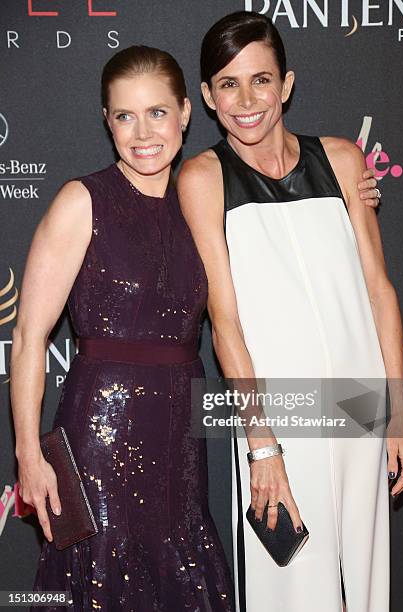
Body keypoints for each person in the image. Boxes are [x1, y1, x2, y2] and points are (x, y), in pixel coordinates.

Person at [177, 11, 403, 612]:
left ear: (286, 83)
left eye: (261, 79)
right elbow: (224, 323)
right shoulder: (203, 177)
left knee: (368, 587)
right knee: (291, 591)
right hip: (277, 412)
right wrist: (262, 444)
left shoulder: (340, 159)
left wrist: (400, 410)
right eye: (228, 84)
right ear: (207, 96)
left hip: (361, 401)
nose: (246, 99)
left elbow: (380, 290)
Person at [11, 46, 234, 611]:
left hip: (180, 437)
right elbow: (30, 335)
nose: (143, 134)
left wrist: (353, 197)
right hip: (98, 438)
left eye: (157, 113)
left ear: (186, 112)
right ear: (106, 122)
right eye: (124, 116)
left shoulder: (203, 199)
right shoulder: (82, 200)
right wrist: (28, 454)